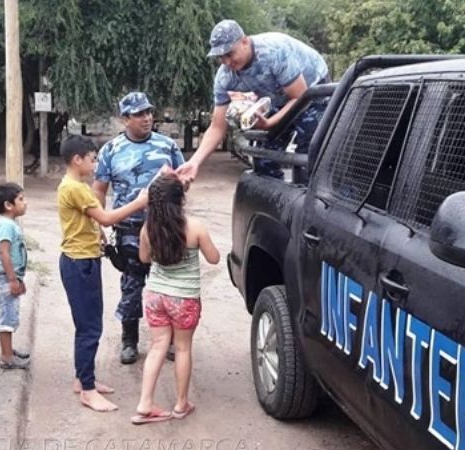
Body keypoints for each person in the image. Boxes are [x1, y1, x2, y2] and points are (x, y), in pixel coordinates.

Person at [92, 92, 185, 365]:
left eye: (149, 112)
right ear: (125, 119)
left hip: (165, 227)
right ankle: (129, 339)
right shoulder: (111, 150)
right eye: (139, 114)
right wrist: (100, 225)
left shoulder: (167, 145)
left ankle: (167, 339)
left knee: (168, 283)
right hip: (129, 228)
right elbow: (99, 190)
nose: (147, 118)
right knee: (132, 283)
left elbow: (185, 180)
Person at [57, 134, 148, 412]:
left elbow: (89, 220)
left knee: (86, 325)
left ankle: (83, 379)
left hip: (79, 259)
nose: (96, 164)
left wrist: (98, 236)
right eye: (93, 158)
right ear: (77, 159)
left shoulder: (71, 185)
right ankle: (87, 390)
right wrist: (140, 201)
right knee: (90, 328)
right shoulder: (78, 189)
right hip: (80, 263)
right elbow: (107, 218)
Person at [176, 19, 330, 183]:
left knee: (309, 149)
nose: (227, 62)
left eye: (229, 54)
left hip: (312, 91)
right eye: (221, 57)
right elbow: (217, 126)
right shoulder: (225, 77)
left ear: (245, 41)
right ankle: (274, 198)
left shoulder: (273, 52)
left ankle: (306, 194)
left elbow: (298, 96)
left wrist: (270, 122)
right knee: (263, 156)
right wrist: (194, 162)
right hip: (280, 97)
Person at [130, 174, 220, 424]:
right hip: (183, 299)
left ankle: (144, 403)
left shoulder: (148, 228)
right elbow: (214, 259)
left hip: (155, 296)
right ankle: (181, 404)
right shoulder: (195, 227)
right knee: (182, 348)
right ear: (181, 198)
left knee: (157, 346)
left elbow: (144, 259)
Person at [0, 182, 30, 370]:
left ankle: (9, 350)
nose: (25, 202)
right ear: (8, 205)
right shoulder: (6, 226)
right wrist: (12, 279)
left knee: (10, 315)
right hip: (5, 279)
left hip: (9, 277)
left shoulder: (9, 224)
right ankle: (6, 357)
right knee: (6, 318)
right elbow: (4, 252)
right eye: (21, 199)